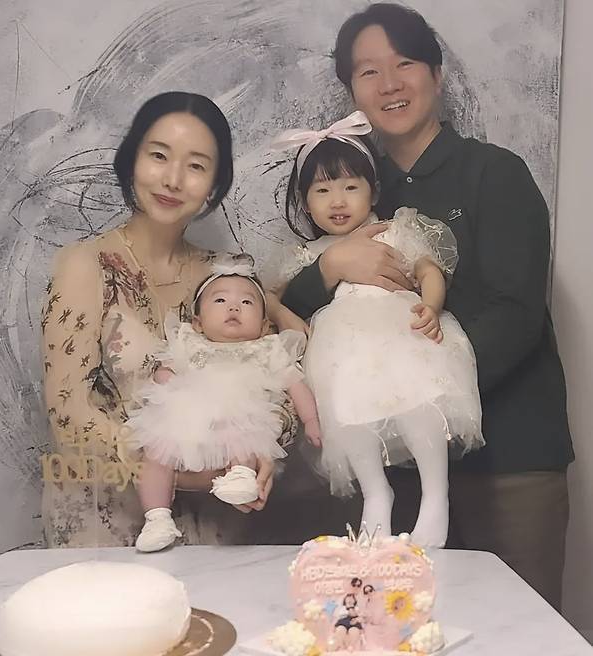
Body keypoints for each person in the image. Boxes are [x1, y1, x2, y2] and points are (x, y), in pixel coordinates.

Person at [280, 3, 573, 609]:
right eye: (368, 71)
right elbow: (293, 317)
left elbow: (517, 314)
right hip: (394, 471)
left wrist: (422, 389)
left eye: (405, 63)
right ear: (351, 91)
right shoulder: (349, 186)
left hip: (509, 462)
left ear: (437, 74)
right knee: (399, 629)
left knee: (517, 629)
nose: (389, 84)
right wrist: (331, 267)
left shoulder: (496, 174)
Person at [41, 92, 295, 548]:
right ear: (131, 161)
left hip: (218, 529)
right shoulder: (86, 265)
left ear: (214, 185)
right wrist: (193, 473)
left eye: (196, 166)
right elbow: (69, 417)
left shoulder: (227, 276)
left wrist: (261, 457)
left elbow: (277, 383)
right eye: (159, 156)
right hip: (107, 527)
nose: (173, 179)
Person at [270, 111, 482, 547]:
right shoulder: (312, 253)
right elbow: (266, 294)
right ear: (305, 202)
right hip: (343, 350)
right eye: (322, 191)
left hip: (401, 331)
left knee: (418, 399)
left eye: (351, 187)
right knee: (348, 413)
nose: (338, 201)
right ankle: (376, 495)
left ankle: (435, 496)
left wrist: (431, 305)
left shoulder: (393, 231)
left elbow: (429, 269)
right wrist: (285, 315)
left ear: (374, 190)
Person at [125, 256, 321, 551]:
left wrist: (311, 420)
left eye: (246, 302)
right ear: (198, 322)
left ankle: (241, 477)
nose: (233, 308)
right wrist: (167, 382)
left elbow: (296, 384)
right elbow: (166, 370)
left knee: (245, 434)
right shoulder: (190, 343)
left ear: (264, 325)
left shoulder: (268, 348)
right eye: (220, 300)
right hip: (187, 416)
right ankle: (157, 518)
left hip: (238, 414)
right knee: (156, 454)